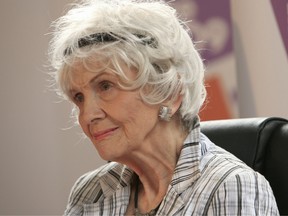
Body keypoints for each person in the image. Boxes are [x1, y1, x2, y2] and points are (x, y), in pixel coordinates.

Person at [49, 0, 279, 215]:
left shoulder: (231, 186)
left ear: (169, 91)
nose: (87, 115)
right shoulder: (90, 192)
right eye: (78, 97)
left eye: (106, 86)